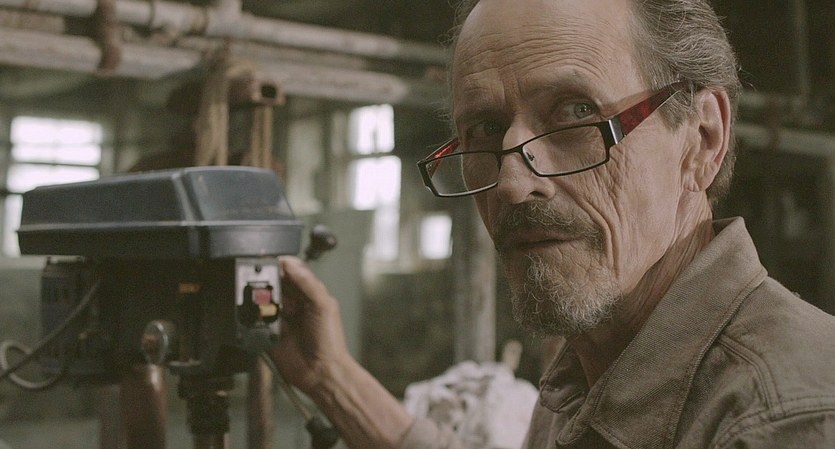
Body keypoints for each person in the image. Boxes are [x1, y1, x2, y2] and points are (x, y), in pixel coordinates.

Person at [269, 0, 835, 447]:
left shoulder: (783, 420)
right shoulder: (590, 366)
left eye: (576, 113)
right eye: (486, 130)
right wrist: (329, 376)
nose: (513, 185)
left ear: (701, 141)